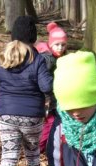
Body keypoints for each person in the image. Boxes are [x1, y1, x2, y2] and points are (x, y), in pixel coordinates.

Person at [0, 15, 54, 166]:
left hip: (7, 116)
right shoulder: (37, 59)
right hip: (32, 116)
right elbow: (46, 87)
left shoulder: (2, 59)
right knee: (32, 153)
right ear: (33, 37)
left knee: (8, 157)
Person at [34, 21, 68, 152]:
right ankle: (40, 148)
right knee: (50, 124)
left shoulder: (56, 57)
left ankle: (45, 147)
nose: (60, 48)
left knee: (52, 124)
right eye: (57, 45)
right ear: (50, 44)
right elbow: (44, 82)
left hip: (55, 98)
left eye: (63, 45)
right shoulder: (48, 59)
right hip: (49, 100)